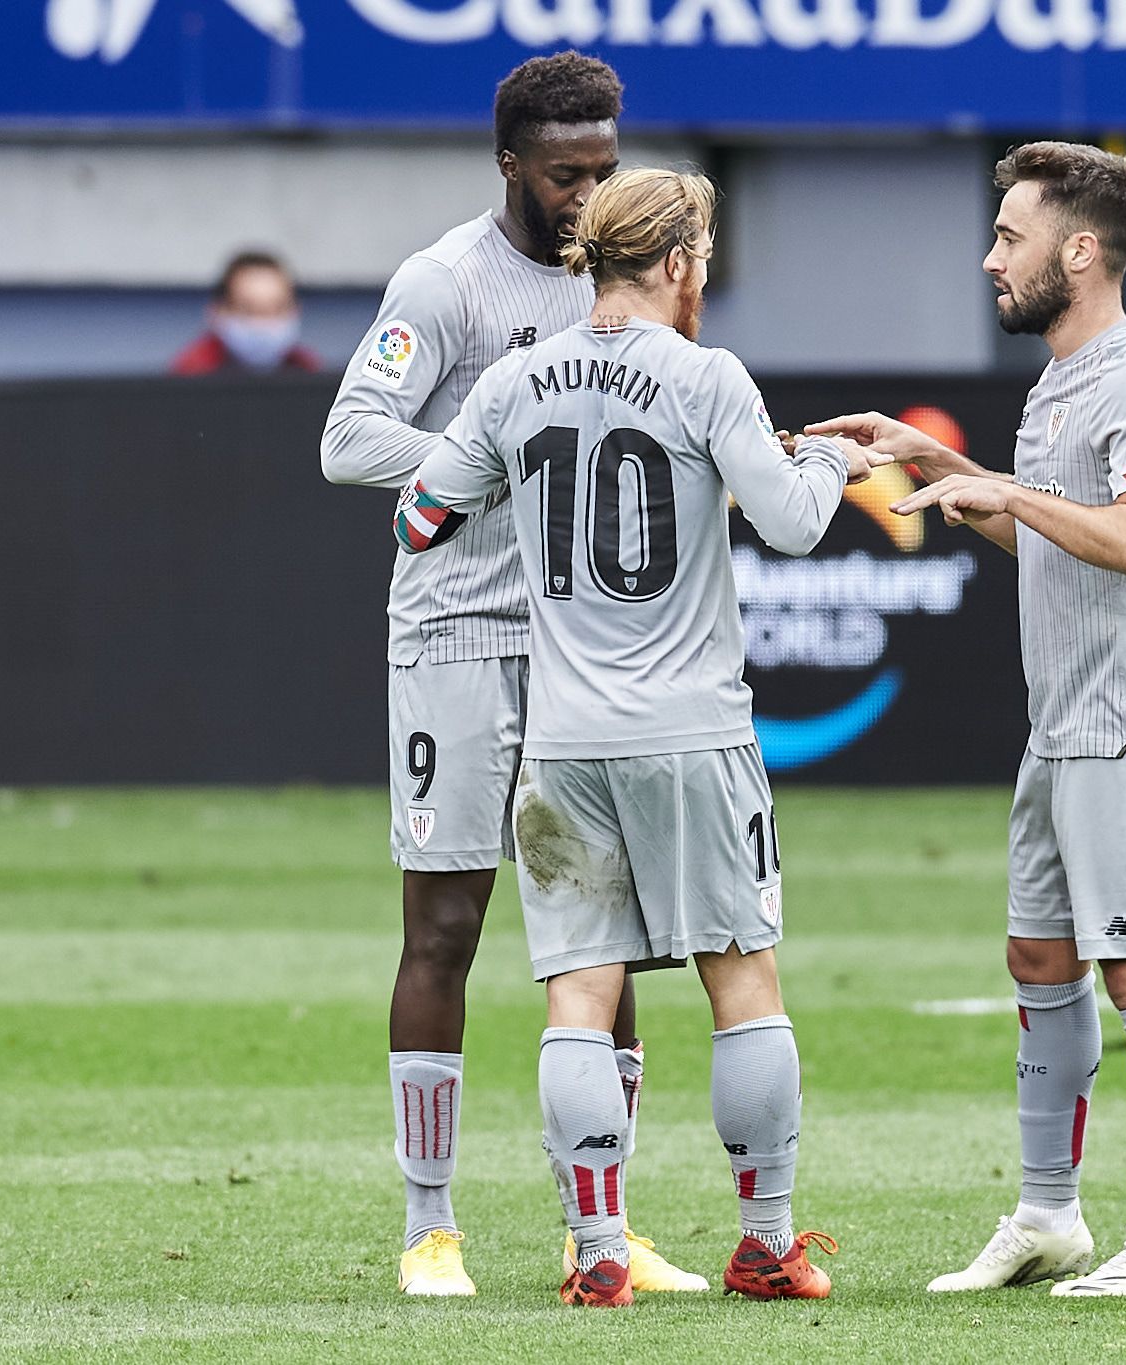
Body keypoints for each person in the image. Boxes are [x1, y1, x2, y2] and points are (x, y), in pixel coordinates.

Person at [394, 166, 878, 1308]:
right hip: (693, 734)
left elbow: (421, 515)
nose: (700, 277)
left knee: (578, 992)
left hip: (559, 741)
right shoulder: (705, 376)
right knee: (741, 977)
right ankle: (763, 1243)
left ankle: (598, 1251)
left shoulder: (515, 380)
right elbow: (800, 524)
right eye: (699, 259)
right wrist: (827, 458)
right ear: (671, 263)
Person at [808, 142, 1126, 1298]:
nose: (989, 256)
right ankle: (1049, 1217)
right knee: (1038, 958)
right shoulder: (1060, 377)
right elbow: (1051, 534)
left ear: (1078, 252)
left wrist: (1010, 490)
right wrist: (938, 462)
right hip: (1064, 729)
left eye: (1009, 235)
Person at [321, 51, 701, 1298]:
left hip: (580, 647)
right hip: (453, 640)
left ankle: (606, 1227)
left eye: (602, 172)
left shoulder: (626, 283)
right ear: (509, 168)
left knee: (607, 934)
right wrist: (490, 455)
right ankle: (430, 1225)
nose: (587, 201)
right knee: (446, 926)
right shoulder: (444, 283)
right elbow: (348, 437)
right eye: (563, 176)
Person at [170, 250, 321, 374]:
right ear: (216, 311)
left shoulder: (307, 370)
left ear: (296, 311)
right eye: (248, 310)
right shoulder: (192, 373)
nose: (263, 325)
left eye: (276, 310)